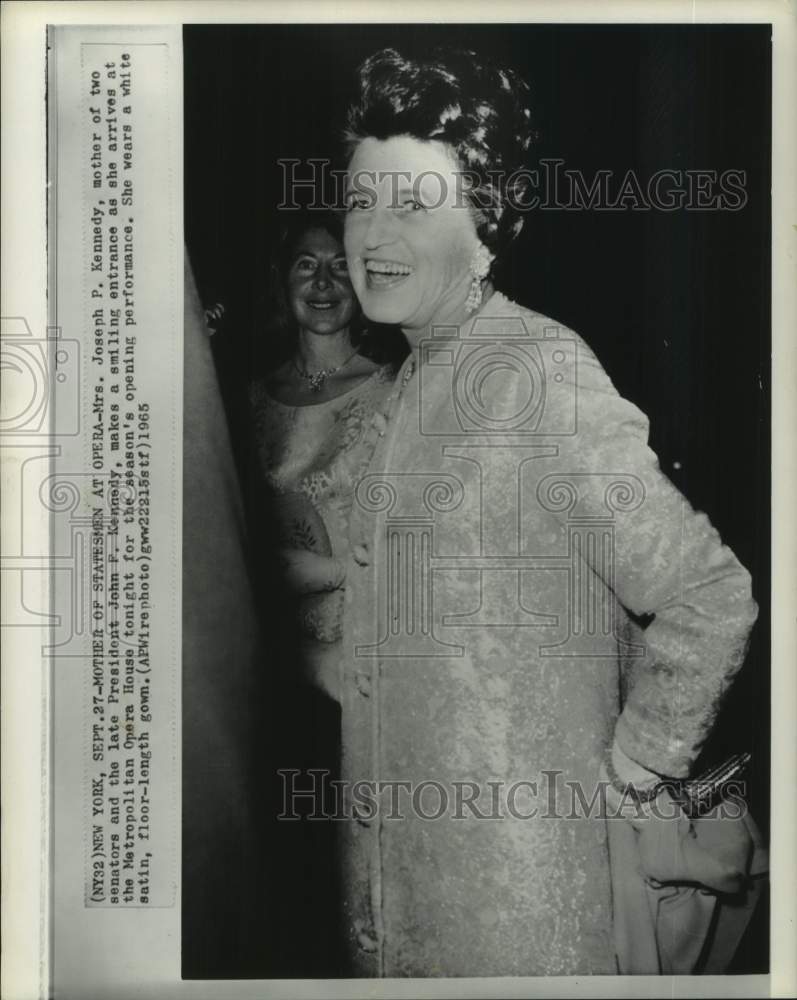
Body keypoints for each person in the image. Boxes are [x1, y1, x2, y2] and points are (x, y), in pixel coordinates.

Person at [333, 47, 760, 976]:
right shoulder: (405, 383)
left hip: (523, 922)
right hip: (404, 913)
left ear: (485, 223)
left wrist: (633, 777)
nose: (374, 232)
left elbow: (706, 591)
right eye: (362, 200)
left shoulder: (534, 369)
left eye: (414, 203)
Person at [249, 210, 403, 701]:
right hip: (264, 662)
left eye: (340, 266)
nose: (323, 282)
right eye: (306, 265)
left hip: (360, 661)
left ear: (361, 280)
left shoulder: (397, 391)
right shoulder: (245, 398)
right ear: (283, 278)